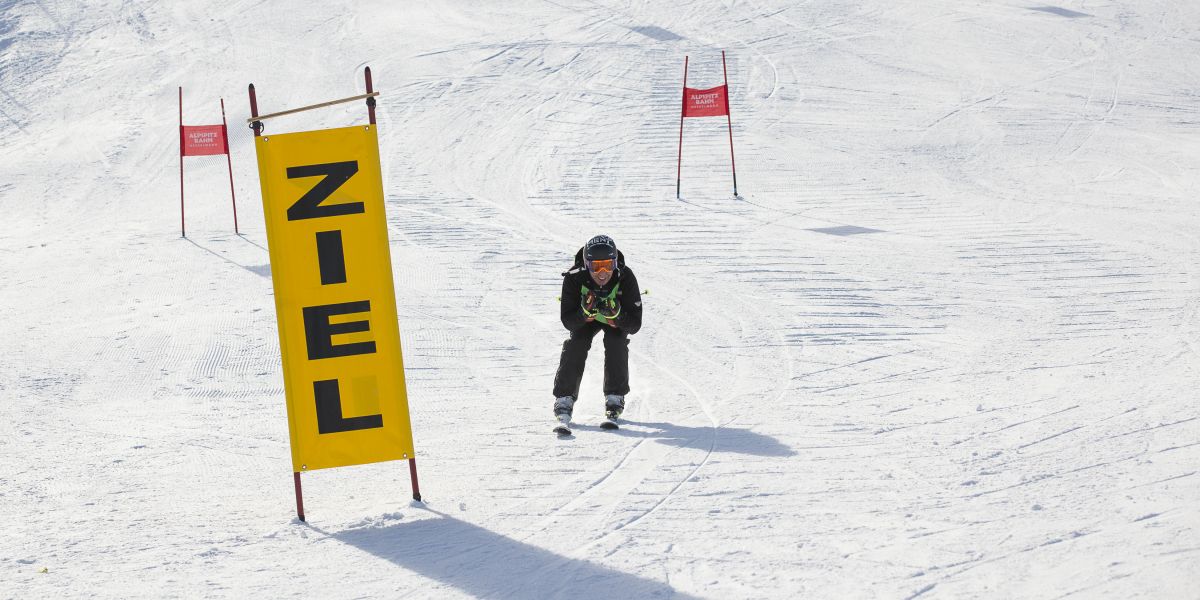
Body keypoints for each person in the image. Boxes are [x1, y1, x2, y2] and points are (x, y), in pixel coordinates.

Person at [553, 235, 643, 425]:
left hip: (614, 320)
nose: (602, 273)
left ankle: (615, 396)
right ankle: (564, 398)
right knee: (576, 343)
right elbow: (568, 321)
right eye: (596, 266)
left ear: (615, 263)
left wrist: (617, 315)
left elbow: (634, 324)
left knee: (616, 341)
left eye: (608, 265)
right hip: (586, 319)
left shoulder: (626, 277)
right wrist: (583, 313)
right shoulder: (574, 277)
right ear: (586, 265)